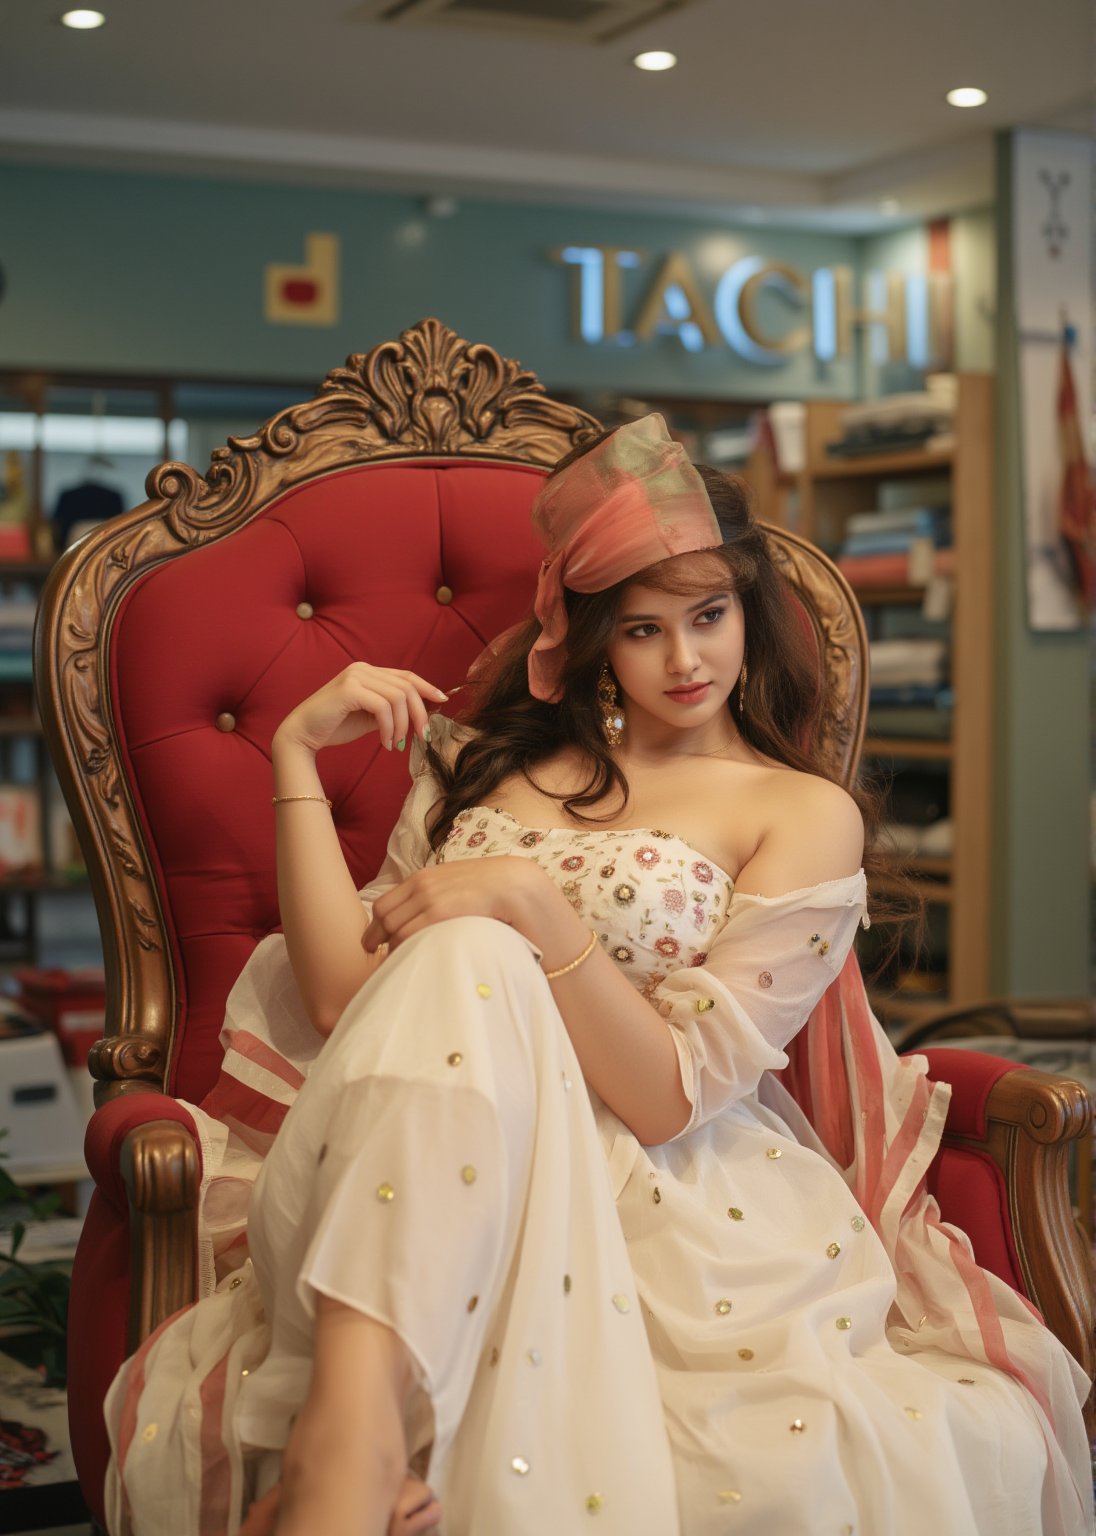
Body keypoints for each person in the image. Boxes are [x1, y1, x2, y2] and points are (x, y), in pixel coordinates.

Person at [105, 415, 1093, 1536]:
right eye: (642, 629)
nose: (686, 661)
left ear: (747, 612)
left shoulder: (794, 811)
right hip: (413, 1134)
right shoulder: (490, 765)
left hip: (654, 1175)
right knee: (464, 952)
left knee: (479, 941)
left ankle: (345, 1452)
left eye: (709, 617)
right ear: (586, 640)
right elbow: (338, 1001)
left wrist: (530, 907)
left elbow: (674, 1093)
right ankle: (357, 1436)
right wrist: (291, 754)